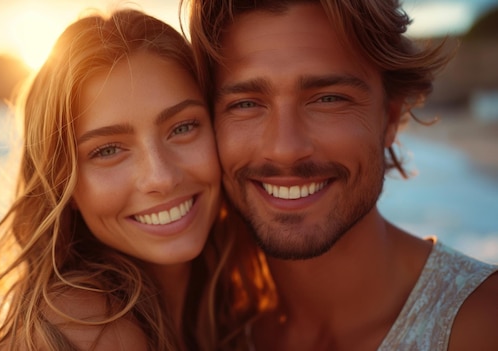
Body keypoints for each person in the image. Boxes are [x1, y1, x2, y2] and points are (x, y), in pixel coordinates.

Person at [184, 0, 498, 350]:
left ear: (390, 117)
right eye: (245, 104)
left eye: (328, 99)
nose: (285, 148)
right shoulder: (203, 327)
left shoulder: (484, 324)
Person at [0, 8, 270, 351]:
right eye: (107, 150)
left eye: (182, 128)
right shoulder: (85, 329)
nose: (161, 178)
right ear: (63, 184)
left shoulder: (230, 306)